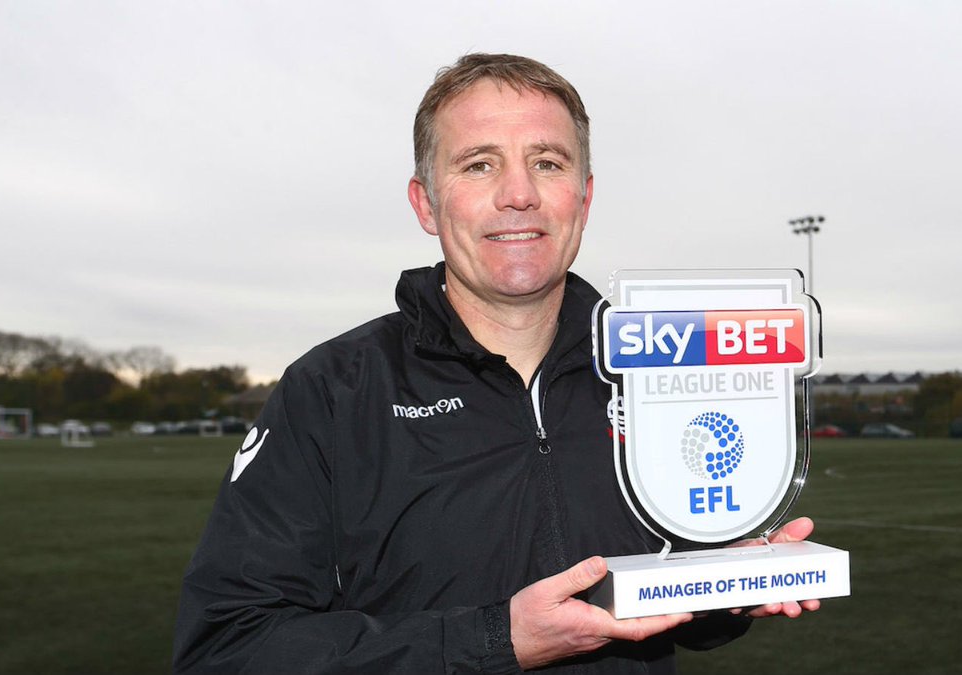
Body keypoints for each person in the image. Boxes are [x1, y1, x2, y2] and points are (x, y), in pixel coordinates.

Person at [173, 53, 819, 674]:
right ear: (426, 203)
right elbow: (228, 647)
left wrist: (722, 586)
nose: (519, 194)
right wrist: (496, 640)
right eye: (480, 165)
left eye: (547, 162)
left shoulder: (654, 371)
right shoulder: (334, 391)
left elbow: (653, 593)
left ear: (584, 197)